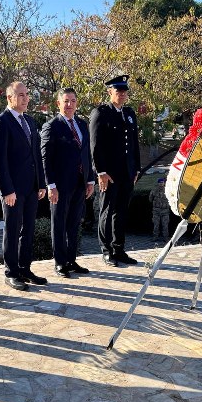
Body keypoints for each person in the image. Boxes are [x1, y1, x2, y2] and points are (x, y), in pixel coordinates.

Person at [0, 81, 48, 291]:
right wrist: (7, 190)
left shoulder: (30, 122)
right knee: (12, 231)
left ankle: (25, 268)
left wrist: (41, 184)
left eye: (26, 94)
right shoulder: (1, 122)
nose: (25, 98)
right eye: (20, 95)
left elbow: (36, 155)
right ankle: (11, 272)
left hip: (31, 188)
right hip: (12, 190)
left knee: (28, 230)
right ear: (9, 98)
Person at [41, 87, 95, 277]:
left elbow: (87, 154)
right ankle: (60, 262)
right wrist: (51, 185)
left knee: (74, 223)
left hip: (80, 183)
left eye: (73, 101)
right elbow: (45, 158)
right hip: (60, 186)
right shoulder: (51, 126)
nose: (69, 104)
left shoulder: (81, 124)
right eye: (66, 101)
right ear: (58, 103)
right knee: (59, 223)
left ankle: (72, 260)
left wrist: (90, 179)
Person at [89, 74, 141, 267]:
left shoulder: (129, 113)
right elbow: (95, 146)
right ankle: (106, 250)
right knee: (107, 210)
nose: (122, 94)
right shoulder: (101, 113)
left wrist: (136, 168)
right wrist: (100, 172)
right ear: (110, 91)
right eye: (118, 91)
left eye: (124, 91)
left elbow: (134, 143)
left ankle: (119, 248)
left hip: (127, 172)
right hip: (109, 174)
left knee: (121, 212)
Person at [149, 178, 170, 243]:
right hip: (156, 211)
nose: (161, 184)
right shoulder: (154, 190)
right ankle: (155, 237)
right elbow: (150, 199)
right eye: (160, 182)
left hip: (165, 211)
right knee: (156, 225)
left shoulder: (168, 190)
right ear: (158, 183)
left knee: (165, 225)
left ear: (164, 183)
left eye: (162, 182)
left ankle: (165, 238)